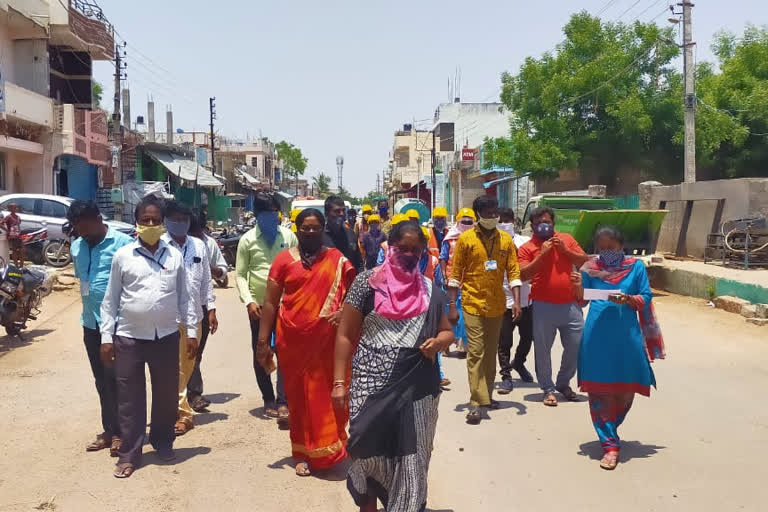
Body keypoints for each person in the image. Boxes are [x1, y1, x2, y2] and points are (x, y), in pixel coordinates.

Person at [333, 221, 454, 512]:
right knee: (365, 450)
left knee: (412, 455)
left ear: (424, 252)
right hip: (370, 382)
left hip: (418, 387)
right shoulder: (367, 283)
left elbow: (447, 331)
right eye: (403, 249)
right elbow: (346, 334)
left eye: (416, 250)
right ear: (391, 248)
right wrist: (339, 382)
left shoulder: (429, 290)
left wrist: (439, 342)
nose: (409, 255)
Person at [99, 195, 198, 478]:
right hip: (129, 337)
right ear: (137, 223)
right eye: (146, 220)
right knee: (130, 398)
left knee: (166, 395)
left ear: (163, 223)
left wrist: (191, 331)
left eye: (156, 220)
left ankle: (163, 442)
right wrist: (107, 337)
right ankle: (130, 453)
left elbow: (185, 299)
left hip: (166, 336)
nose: (151, 225)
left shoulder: (174, 256)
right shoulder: (123, 257)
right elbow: (110, 300)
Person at [257, 208, 356, 477]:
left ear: (322, 228)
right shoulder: (283, 261)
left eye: (315, 227)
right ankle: (300, 452)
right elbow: (270, 302)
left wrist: (342, 312)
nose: (310, 232)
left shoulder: (337, 260)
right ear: (297, 230)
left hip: (328, 343)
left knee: (331, 394)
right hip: (293, 342)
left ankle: (331, 447)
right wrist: (263, 340)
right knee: (298, 399)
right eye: (305, 228)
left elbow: (356, 295)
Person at [573, 226, 665, 470]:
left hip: (627, 335)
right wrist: (577, 286)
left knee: (627, 388)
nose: (606, 253)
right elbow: (581, 300)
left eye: (611, 248)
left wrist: (629, 299)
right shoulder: (590, 268)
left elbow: (645, 295)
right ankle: (610, 445)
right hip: (597, 334)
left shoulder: (635, 267)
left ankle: (610, 426)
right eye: (601, 248)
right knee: (599, 390)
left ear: (621, 246)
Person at [447, 196, 521, 424]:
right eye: (488, 212)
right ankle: (476, 402)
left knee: (490, 354)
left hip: (497, 305)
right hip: (471, 303)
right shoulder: (466, 239)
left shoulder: (506, 240)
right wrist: (452, 305)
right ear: (478, 214)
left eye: (494, 211)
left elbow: (514, 272)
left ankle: (487, 395)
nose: (492, 216)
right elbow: (455, 273)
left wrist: (517, 302)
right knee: (476, 352)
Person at [69, 200, 134, 456]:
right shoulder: (77, 246)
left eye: (83, 226)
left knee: (119, 380)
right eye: (77, 228)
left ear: (97, 218)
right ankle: (109, 429)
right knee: (101, 380)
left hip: (117, 325)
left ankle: (122, 432)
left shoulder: (122, 245)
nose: (80, 232)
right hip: (90, 323)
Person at [518, 206, 589, 407]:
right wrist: (542, 254)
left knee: (575, 345)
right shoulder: (526, 248)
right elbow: (523, 275)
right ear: (532, 226)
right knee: (543, 350)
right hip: (543, 306)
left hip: (571, 304)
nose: (544, 225)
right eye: (539, 222)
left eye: (547, 222)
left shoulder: (566, 239)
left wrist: (564, 251)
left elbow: (583, 260)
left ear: (553, 224)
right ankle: (548, 389)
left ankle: (563, 382)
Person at [236, 191, 297, 425]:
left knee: (285, 352)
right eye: (266, 213)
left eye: (274, 212)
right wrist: (249, 300)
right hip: (259, 307)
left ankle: (284, 402)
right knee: (261, 351)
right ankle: (268, 399)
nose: (272, 217)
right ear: (258, 215)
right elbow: (240, 274)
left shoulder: (289, 237)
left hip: (286, 305)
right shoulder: (247, 240)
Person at [161, 200, 217, 436]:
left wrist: (211, 308)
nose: (180, 224)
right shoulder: (159, 245)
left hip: (195, 316)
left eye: (184, 220)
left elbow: (205, 281)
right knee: (175, 369)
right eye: (175, 219)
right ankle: (182, 414)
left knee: (188, 364)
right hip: (168, 317)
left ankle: (177, 409)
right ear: (166, 221)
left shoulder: (198, 246)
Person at [187, 209, 228, 412]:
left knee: (195, 352)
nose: (195, 237)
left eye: (198, 232)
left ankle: (192, 393)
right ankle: (190, 395)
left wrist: (211, 309)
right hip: (174, 308)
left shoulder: (208, 244)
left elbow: (221, 273)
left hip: (201, 306)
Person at [496, 208, 534, 392]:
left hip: (526, 298)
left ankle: (519, 362)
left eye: (507, 220)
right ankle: (506, 376)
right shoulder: (492, 243)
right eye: (500, 220)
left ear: (513, 221)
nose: (504, 223)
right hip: (502, 300)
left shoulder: (524, 242)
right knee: (504, 341)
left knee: (528, 337)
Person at [439, 208, 476, 355]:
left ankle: (464, 346)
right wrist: (443, 275)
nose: (466, 224)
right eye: (464, 221)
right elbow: (443, 258)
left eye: (469, 221)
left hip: (469, 282)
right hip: (451, 282)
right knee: (449, 314)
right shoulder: (450, 239)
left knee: (466, 315)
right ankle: (445, 345)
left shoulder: (477, 238)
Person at [323, 196, 363, 272]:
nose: (342, 214)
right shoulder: (319, 236)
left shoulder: (351, 234)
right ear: (326, 214)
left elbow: (359, 263)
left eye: (343, 210)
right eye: (337, 211)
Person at [1, 203, 23, 267]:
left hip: (18, 235)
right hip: (12, 236)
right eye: (14, 207)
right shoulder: (8, 217)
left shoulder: (18, 217)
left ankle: (21, 266)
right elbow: (1, 224)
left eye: (16, 207)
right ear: (10, 209)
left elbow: (18, 225)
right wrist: (7, 230)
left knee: (22, 250)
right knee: (14, 250)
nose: (15, 209)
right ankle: (16, 266)